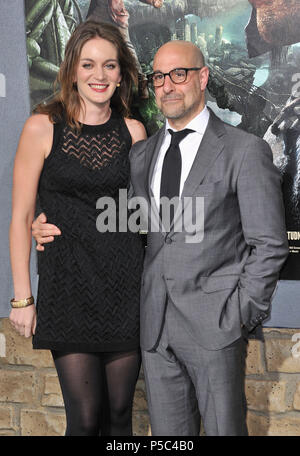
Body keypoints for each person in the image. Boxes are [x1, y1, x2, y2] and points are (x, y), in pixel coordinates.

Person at [32, 40, 289, 436]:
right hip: (152, 330)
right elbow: (116, 218)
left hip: (216, 327)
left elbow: (270, 245)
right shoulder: (142, 154)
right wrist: (43, 223)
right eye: (159, 77)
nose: (167, 85)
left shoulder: (244, 150)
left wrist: (238, 315)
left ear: (202, 78)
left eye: (179, 74)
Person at [9, 20, 146, 436]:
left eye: (109, 66)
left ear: (121, 73)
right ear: (71, 70)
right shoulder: (41, 127)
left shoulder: (135, 132)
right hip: (68, 290)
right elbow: (19, 216)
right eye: (88, 64)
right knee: (85, 419)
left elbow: (139, 214)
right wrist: (22, 299)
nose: (99, 76)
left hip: (126, 290)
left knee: (121, 414)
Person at [87, 0, 164, 98]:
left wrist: (152, 1)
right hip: (97, 15)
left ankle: (141, 80)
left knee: (126, 47)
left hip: (113, 15)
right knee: (84, 40)